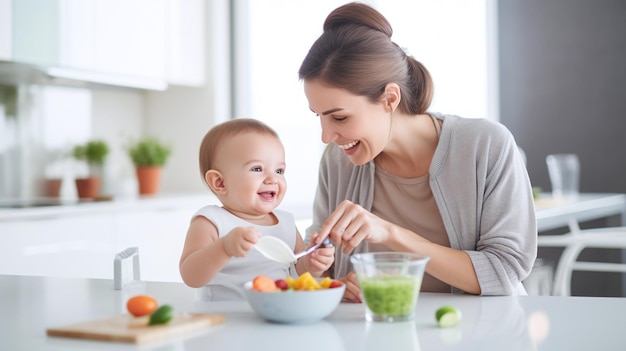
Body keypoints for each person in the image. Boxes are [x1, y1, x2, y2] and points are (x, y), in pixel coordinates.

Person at [299, 2, 537, 300]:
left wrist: (391, 234)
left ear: (390, 98)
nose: (326, 136)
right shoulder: (338, 162)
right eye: (318, 116)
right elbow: (319, 269)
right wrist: (334, 284)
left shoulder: (485, 145)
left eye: (340, 117)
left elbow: (505, 272)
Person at [179, 118, 335, 300]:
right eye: (257, 169)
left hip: (275, 316)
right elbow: (191, 277)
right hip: (225, 321)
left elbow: (295, 273)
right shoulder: (211, 221)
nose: (272, 179)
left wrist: (310, 265)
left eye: (279, 171)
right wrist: (224, 248)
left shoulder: (286, 222)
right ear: (219, 182)